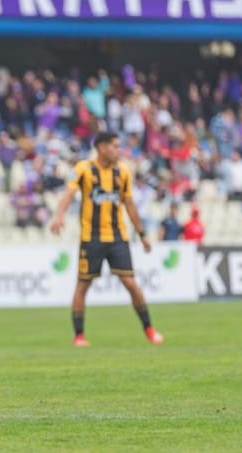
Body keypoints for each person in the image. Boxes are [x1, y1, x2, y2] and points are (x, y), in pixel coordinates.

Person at [50, 131, 164, 348]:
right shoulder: (83, 169)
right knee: (83, 284)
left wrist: (142, 235)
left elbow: (129, 204)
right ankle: (79, 336)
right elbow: (68, 194)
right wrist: (59, 216)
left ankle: (149, 329)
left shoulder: (123, 171)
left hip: (117, 237)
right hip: (91, 237)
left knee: (130, 282)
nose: (117, 150)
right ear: (101, 147)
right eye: (113, 145)